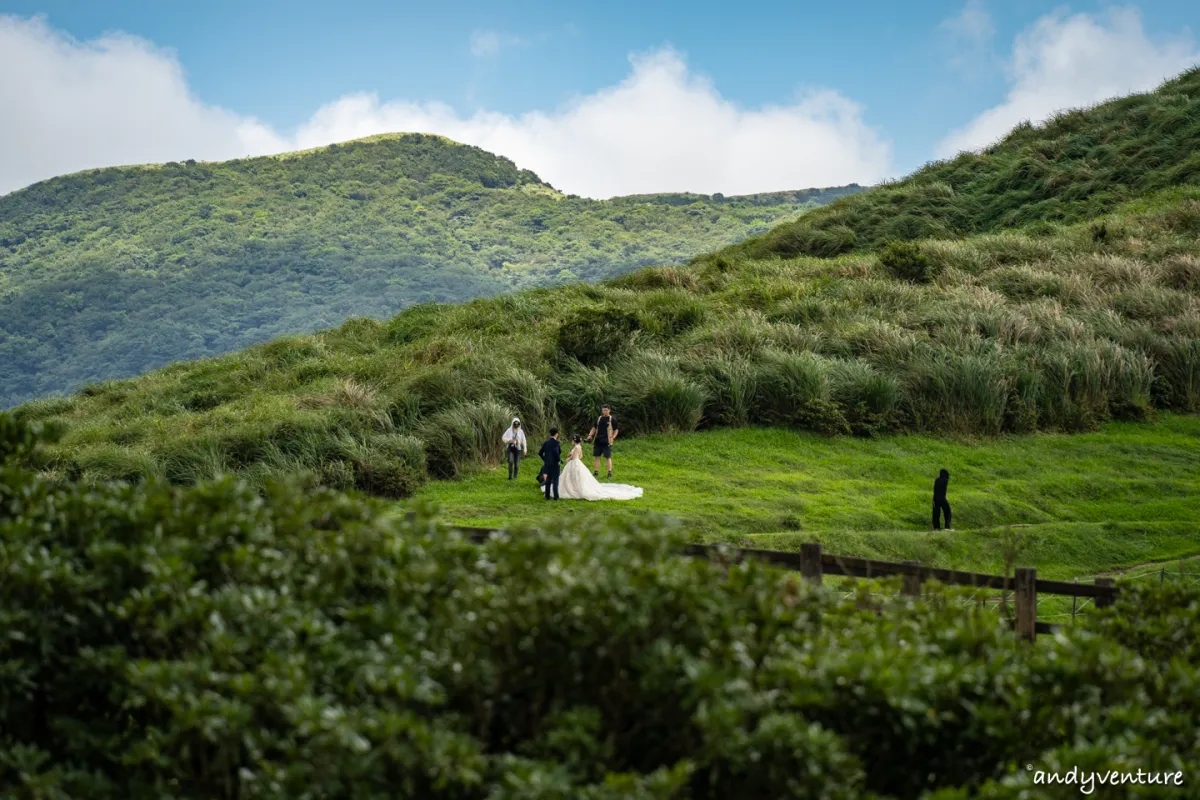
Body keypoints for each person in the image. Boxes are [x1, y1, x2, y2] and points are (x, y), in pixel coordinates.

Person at [557, 434, 643, 501]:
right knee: (578, 477)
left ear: (573, 440)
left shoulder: (575, 447)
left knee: (572, 476)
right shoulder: (579, 447)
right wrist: (572, 456)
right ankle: (576, 488)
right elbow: (581, 456)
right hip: (578, 462)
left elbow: (574, 457)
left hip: (574, 463)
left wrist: (569, 458)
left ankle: (574, 490)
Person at [587, 404, 619, 479]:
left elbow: (616, 430)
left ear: (609, 410)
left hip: (607, 441)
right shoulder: (599, 418)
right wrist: (590, 435)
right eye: (603, 410)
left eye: (606, 410)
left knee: (608, 457)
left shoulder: (612, 419)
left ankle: (609, 473)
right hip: (598, 440)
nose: (604, 412)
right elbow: (594, 428)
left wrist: (613, 437)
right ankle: (596, 472)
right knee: (597, 456)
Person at [538, 428, 563, 501]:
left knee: (548, 480)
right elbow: (557, 452)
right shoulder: (556, 443)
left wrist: (545, 459)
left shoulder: (546, 442)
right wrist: (558, 460)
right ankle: (555, 496)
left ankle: (547, 496)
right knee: (555, 480)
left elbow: (540, 453)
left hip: (547, 464)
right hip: (555, 464)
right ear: (556, 434)